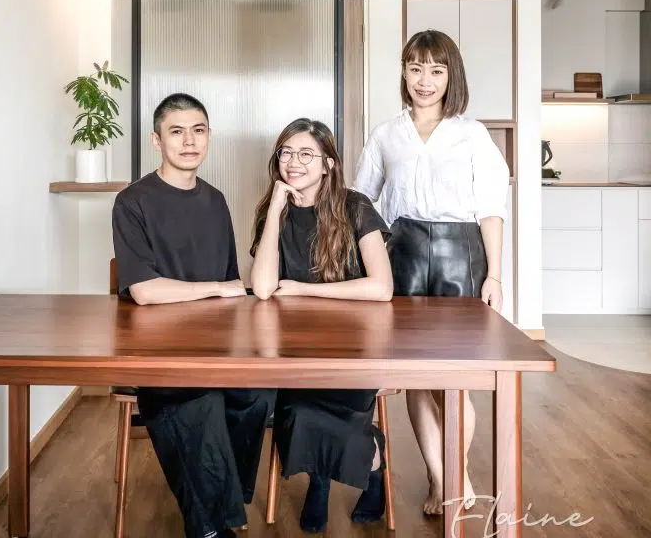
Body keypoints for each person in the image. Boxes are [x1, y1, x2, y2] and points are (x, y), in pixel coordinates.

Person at [353, 29, 509, 517]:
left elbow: (491, 208)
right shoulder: (385, 134)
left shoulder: (472, 133)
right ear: (404, 72)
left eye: (436, 70)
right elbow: (360, 202)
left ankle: (453, 479)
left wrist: (495, 275)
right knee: (419, 378)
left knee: (455, 378)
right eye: (416, 68)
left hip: (461, 255)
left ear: (450, 75)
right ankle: (443, 481)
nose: (425, 80)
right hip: (403, 253)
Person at [112, 93, 275, 538]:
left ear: (209, 137)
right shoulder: (132, 202)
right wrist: (216, 289)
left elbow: (233, 286)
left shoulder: (216, 200)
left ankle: (224, 505)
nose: (189, 141)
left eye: (198, 131)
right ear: (157, 140)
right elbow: (144, 291)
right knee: (199, 401)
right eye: (177, 132)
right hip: (158, 350)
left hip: (216, 346)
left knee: (258, 395)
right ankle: (210, 527)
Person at [249, 117, 394, 533]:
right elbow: (263, 288)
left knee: (333, 412)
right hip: (294, 346)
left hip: (357, 344)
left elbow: (382, 287)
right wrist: (275, 211)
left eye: (306, 154)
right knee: (296, 412)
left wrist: (303, 290)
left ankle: (372, 468)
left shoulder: (355, 206)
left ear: (329, 163)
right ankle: (321, 482)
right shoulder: (273, 212)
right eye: (286, 152)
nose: (293, 162)